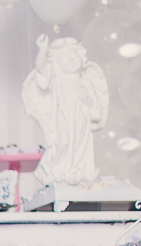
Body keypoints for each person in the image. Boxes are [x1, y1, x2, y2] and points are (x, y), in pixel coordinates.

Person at [22, 34, 108, 187]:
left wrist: (86, 98)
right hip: (62, 119)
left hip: (81, 121)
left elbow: (94, 107)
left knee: (80, 146)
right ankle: (54, 170)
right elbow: (41, 68)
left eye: (74, 56)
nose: (71, 60)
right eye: (66, 58)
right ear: (56, 63)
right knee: (63, 142)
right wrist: (43, 49)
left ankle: (79, 172)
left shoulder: (85, 82)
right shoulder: (56, 79)